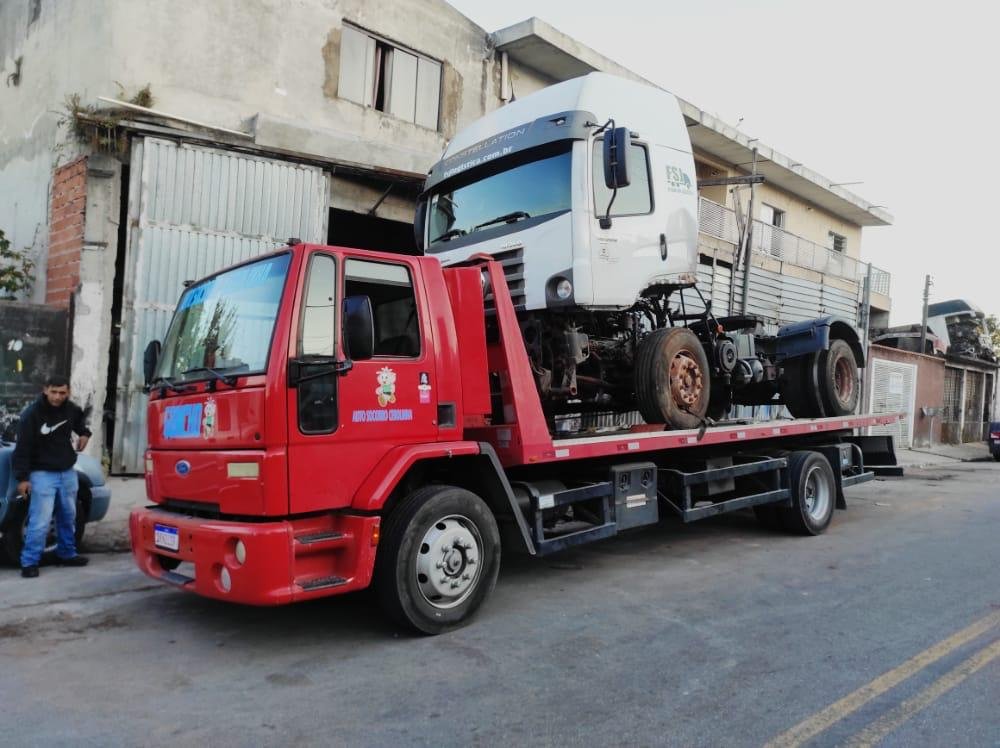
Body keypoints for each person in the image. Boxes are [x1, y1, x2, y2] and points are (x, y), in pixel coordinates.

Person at [12, 374, 92, 578]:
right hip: (42, 474)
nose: (57, 397)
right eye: (54, 392)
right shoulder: (32, 414)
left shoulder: (71, 409)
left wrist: (84, 434)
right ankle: (29, 562)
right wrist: (22, 478)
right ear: (45, 390)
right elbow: (22, 448)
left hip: (67, 473)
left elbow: (80, 422)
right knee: (40, 521)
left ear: (68, 392)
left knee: (68, 517)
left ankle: (67, 553)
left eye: (62, 393)